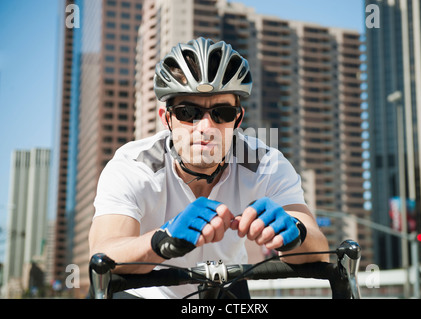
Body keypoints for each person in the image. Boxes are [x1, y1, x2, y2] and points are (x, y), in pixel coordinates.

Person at [89, 37, 329, 299]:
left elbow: (318, 248)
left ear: (238, 119)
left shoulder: (266, 164)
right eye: (187, 112)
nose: (205, 127)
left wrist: (295, 234)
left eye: (221, 113)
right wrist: (163, 241)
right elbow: (103, 253)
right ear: (166, 118)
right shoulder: (135, 165)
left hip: (227, 285)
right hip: (145, 290)